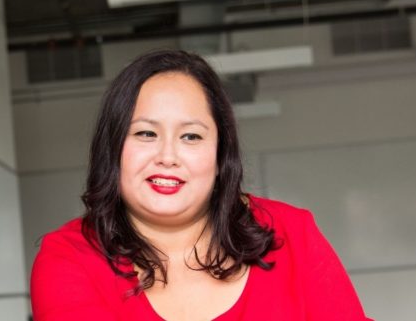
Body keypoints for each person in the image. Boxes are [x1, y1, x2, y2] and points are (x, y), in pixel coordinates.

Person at [30, 50, 370, 320]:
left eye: (191, 136)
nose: (167, 156)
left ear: (220, 155)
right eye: (146, 133)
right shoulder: (68, 257)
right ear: (113, 148)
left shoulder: (292, 233)